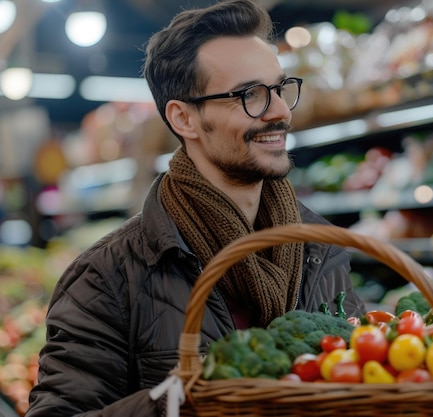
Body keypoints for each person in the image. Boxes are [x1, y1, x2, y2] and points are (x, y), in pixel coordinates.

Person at [26, 1, 365, 416]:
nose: (279, 111)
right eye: (250, 95)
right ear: (184, 119)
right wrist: (185, 399)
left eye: (280, 88)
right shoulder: (108, 277)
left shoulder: (321, 249)